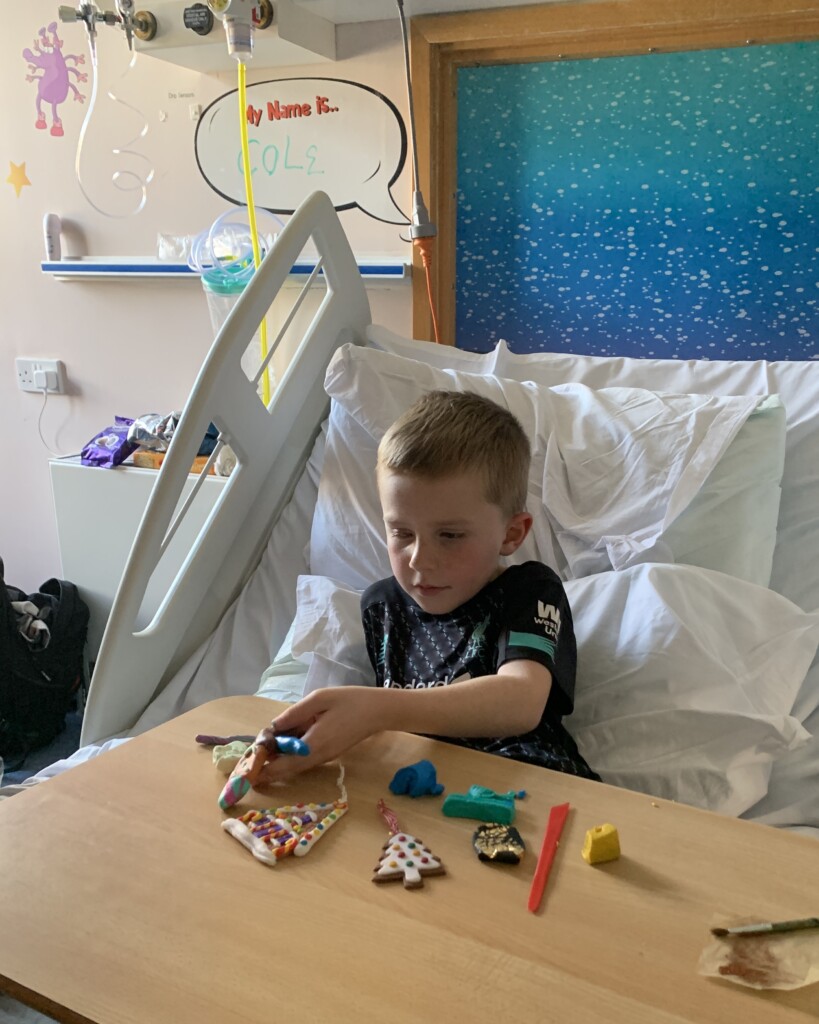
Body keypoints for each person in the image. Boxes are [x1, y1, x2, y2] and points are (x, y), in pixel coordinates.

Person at [259, 389, 598, 784]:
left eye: (450, 535)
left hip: (529, 790)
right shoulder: (381, 607)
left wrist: (376, 710)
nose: (419, 559)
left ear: (511, 534)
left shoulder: (529, 590)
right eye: (401, 532)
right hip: (419, 796)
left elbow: (521, 700)